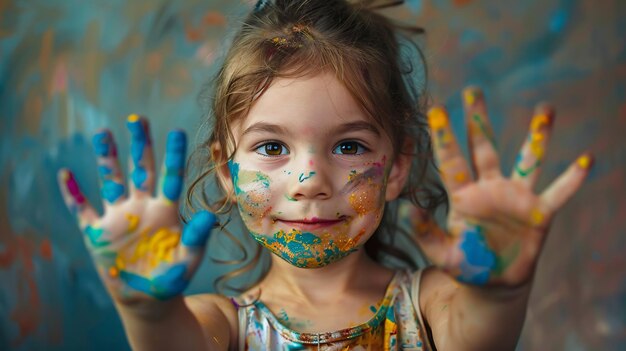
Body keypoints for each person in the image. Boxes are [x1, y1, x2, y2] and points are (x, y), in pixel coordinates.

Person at [56, 0, 592, 350]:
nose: (310, 179)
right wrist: (145, 309)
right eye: (272, 146)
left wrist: (500, 290)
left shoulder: (433, 305)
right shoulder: (218, 326)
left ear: (398, 166)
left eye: (348, 145)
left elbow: (480, 333)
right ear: (225, 168)